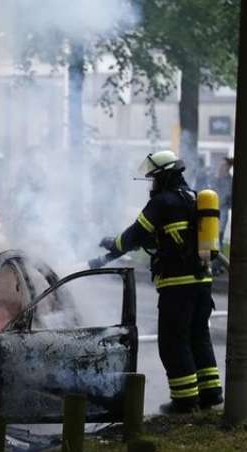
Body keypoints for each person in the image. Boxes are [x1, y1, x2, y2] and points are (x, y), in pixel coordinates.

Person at [91, 150, 223, 413]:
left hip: (177, 284)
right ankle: (210, 394)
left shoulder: (162, 203)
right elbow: (164, 238)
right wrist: (108, 256)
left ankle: (185, 400)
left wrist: (112, 244)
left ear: (164, 177)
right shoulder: (194, 198)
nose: (152, 185)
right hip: (202, 282)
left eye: (154, 179)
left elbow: (135, 234)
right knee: (198, 336)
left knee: (173, 341)